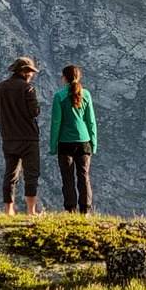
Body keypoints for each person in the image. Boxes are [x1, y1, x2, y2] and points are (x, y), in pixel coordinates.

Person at [0, 56, 41, 215]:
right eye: (31, 72)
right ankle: (31, 211)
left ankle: (9, 209)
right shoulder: (27, 88)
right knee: (31, 174)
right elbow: (35, 111)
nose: (32, 75)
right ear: (25, 72)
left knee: (10, 174)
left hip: (8, 138)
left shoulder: (0, 88)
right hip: (28, 138)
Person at [49, 64, 97, 214]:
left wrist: (53, 145)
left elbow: (56, 122)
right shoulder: (86, 95)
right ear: (78, 77)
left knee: (67, 178)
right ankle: (86, 210)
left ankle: (70, 209)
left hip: (65, 143)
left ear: (64, 78)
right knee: (84, 177)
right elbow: (91, 121)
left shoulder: (59, 96)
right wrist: (93, 144)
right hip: (84, 142)